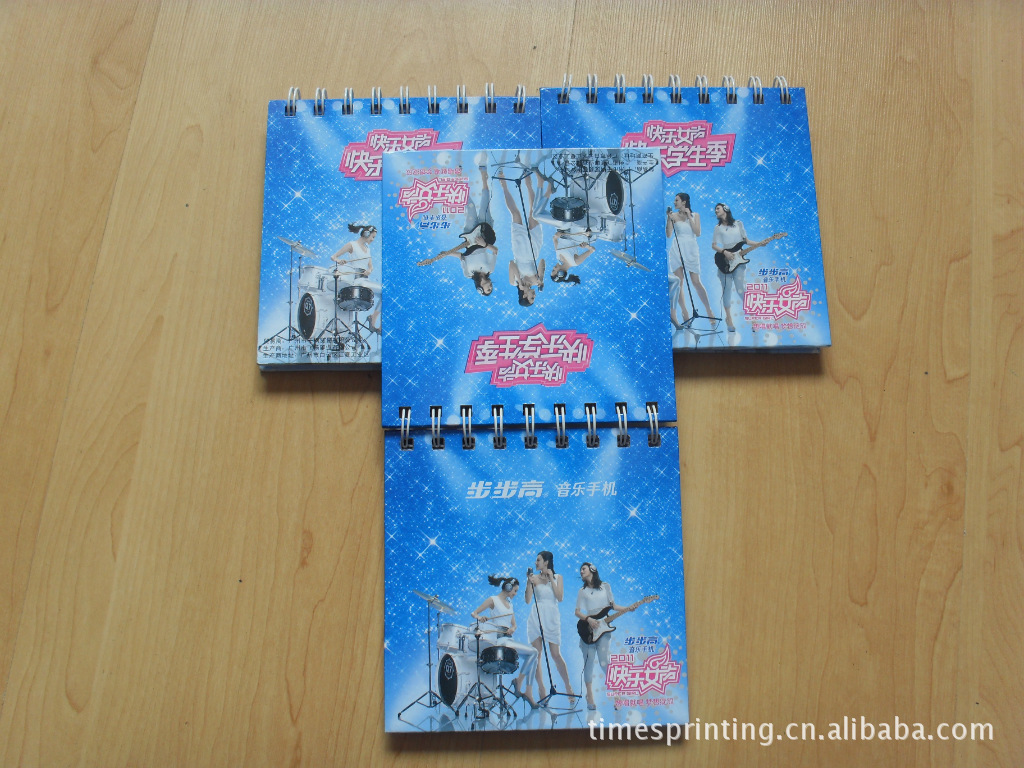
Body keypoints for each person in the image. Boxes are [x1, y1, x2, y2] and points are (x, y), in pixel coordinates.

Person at [416, 163, 498, 296]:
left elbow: (461, 257)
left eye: (488, 289)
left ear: (480, 288)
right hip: (485, 235)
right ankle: (484, 177)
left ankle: (458, 178)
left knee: (470, 207)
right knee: (485, 204)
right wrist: (484, 244)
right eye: (491, 288)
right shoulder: (490, 269)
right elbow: (495, 251)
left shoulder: (468, 273)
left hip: (471, 236)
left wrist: (447, 253)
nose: (491, 287)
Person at [471, 575, 539, 708]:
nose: (515, 594)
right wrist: (480, 618)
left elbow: (514, 624)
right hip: (500, 641)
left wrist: (512, 629)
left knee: (534, 658)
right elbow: (474, 613)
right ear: (508, 588)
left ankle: (528, 692)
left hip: (509, 640)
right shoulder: (493, 600)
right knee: (534, 652)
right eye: (515, 591)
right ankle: (519, 682)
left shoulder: (510, 604)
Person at [574, 562, 629, 711]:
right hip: (588, 630)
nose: (581, 571)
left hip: (603, 630)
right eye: (580, 570)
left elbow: (613, 606)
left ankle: (617, 695)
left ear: (592, 569)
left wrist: (628, 609)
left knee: (604, 662)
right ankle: (590, 696)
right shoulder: (582, 591)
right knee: (589, 662)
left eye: (583, 569)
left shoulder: (605, 586)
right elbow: (577, 612)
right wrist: (589, 620)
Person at [524, 551, 575, 704]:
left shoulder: (558, 577)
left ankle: (568, 686)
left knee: (555, 654)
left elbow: (559, 597)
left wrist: (551, 578)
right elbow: (527, 600)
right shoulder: (534, 578)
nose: (535, 562)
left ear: (546, 562)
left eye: (538, 560)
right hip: (536, 617)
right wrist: (528, 582)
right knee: (537, 655)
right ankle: (542, 689)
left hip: (552, 617)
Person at [712, 202, 771, 333]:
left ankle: (753, 319)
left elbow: (747, 241)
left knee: (741, 289)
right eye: (715, 209)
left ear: (725, 209)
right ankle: (729, 319)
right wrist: (725, 252)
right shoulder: (718, 228)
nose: (716, 211)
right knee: (726, 290)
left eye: (718, 208)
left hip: (739, 261)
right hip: (724, 262)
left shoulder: (738, 224)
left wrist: (760, 243)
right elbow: (714, 245)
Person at [667, 193, 716, 328]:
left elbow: (698, 233)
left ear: (684, 202)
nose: (674, 202)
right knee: (679, 283)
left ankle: (709, 311)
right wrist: (668, 219)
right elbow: (669, 234)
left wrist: (689, 216)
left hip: (691, 249)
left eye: (676, 200)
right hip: (677, 249)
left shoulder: (695, 215)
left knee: (696, 281)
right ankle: (685, 312)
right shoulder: (673, 216)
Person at [499, 175, 545, 306]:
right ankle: (528, 184)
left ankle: (504, 185)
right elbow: (542, 261)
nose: (534, 295)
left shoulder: (513, 282)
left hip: (519, 249)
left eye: (532, 298)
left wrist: (519, 281)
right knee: (533, 213)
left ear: (524, 296)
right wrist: (541, 277)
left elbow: (511, 263)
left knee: (515, 214)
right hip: (534, 249)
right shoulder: (536, 282)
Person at [329, 223, 382, 332]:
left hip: (366, 280)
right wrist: (339, 260)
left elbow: (371, 266)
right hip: (357, 281)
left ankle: (374, 318)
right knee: (386, 292)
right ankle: (373, 319)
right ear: (366, 234)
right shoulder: (352, 245)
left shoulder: (367, 249)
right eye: (372, 237)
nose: (373, 240)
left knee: (385, 295)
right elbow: (333, 257)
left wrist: (369, 270)